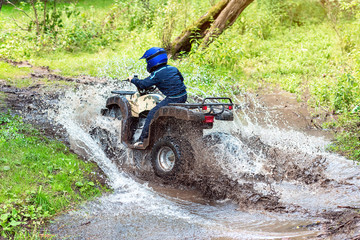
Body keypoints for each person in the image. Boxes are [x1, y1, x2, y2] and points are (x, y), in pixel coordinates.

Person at [128, 47, 187, 147]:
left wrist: (132, 80)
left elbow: (143, 84)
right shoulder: (172, 68)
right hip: (183, 96)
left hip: (172, 98)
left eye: (147, 61)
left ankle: (142, 140)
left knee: (151, 114)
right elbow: (181, 79)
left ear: (151, 61)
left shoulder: (156, 74)